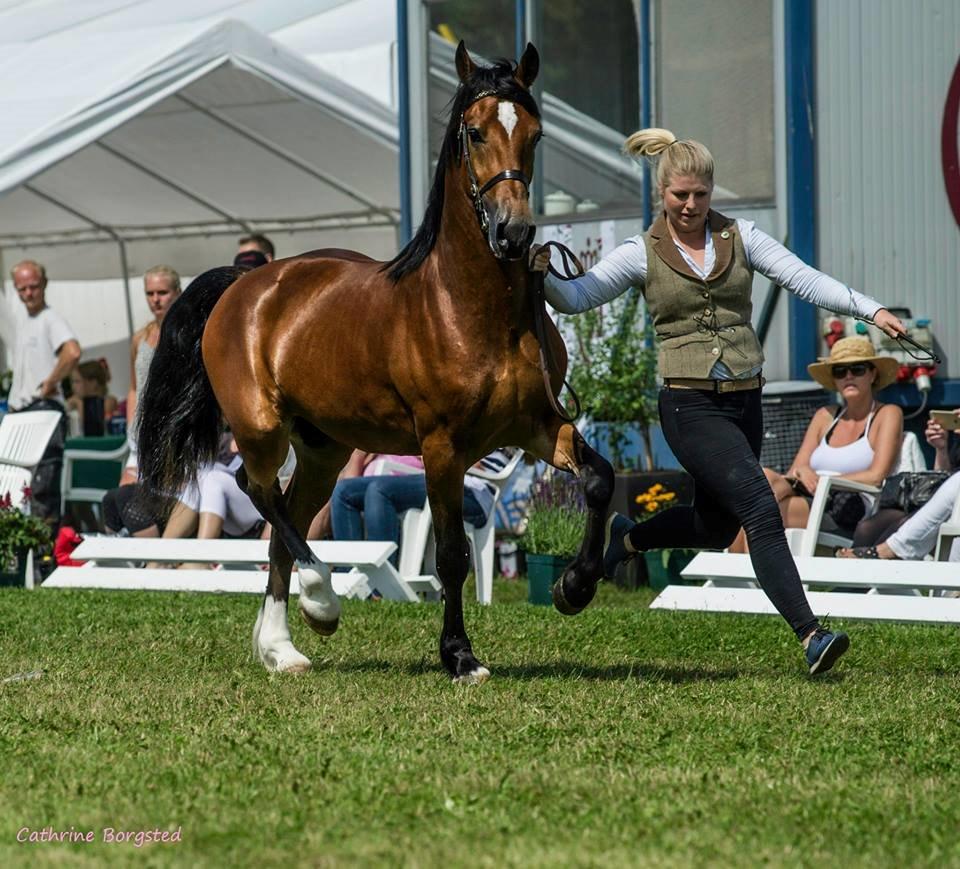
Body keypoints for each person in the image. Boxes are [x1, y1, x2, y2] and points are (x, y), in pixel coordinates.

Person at [530, 127, 907, 675]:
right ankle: (811, 635)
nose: (689, 206)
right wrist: (540, 277)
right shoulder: (642, 251)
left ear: (712, 192)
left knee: (712, 526)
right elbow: (580, 295)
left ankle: (626, 540)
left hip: (743, 401)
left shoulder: (742, 237)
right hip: (688, 406)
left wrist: (871, 311)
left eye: (700, 195)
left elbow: (803, 279)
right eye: (679, 195)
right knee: (758, 501)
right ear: (663, 193)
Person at [728, 337, 903, 551]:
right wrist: (804, 472)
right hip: (809, 496)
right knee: (760, 481)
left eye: (857, 369)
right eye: (840, 371)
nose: (848, 376)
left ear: (872, 373)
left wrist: (823, 480)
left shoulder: (887, 414)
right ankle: (742, 575)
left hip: (845, 507)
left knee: (757, 512)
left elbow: (877, 476)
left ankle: (743, 576)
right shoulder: (825, 415)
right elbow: (796, 469)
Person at [330, 450, 511, 569]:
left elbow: (471, 462)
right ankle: (349, 575)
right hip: (437, 479)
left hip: (472, 491)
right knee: (343, 490)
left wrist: (436, 450)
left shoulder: (500, 425)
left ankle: (380, 583)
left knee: (379, 490)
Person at [1, 259, 81, 524]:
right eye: (21, 289)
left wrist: (50, 382)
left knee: (42, 489)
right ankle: (23, 553)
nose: (28, 294)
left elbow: (72, 352)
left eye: (33, 287)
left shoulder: (50, 318)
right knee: (14, 486)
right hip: (20, 411)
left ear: (44, 284)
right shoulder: (22, 318)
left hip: (43, 410)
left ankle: (43, 558)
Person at [837, 408, 960, 560]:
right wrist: (941, 449)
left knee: (900, 525)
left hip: (954, 517)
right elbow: (945, 479)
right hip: (946, 508)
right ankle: (851, 581)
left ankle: (892, 551)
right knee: (870, 527)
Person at [120, 265, 182, 485]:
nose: (156, 299)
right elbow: (135, 388)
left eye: (162, 293)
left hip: (175, 435)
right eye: (150, 293)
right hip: (142, 435)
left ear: (177, 292)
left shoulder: (188, 336)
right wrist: (131, 427)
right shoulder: (140, 338)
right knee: (123, 496)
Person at [66, 358, 118, 436]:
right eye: (72, 382)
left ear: (93, 383)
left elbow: (91, 425)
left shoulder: (109, 401)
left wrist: (79, 403)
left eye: (77, 382)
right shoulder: (74, 402)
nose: (73, 386)